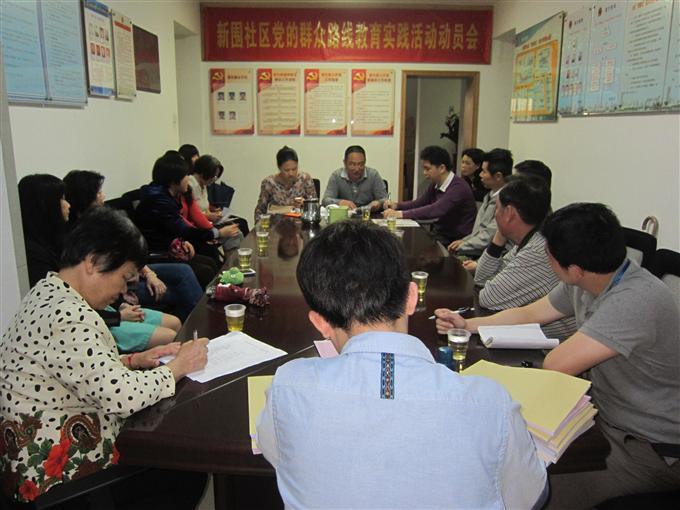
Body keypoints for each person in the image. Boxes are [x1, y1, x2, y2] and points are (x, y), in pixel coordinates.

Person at [257, 221, 547, 509]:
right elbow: (529, 497)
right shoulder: (490, 403)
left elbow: (280, 454)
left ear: (320, 323)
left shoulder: (287, 387)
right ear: (411, 297)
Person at [435, 203, 680, 509]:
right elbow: (530, 313)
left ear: (574, 270)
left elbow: (556, 364)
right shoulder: (591, 277)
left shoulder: (635, 300)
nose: (545, 257)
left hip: (648, 447)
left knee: (528, 490)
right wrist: (468, 324)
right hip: (602, 415)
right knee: (501, 460)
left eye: (548, 254)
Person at [0, 206, 209, 505]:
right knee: (187, 469)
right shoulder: (68, 316)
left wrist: (134, 360)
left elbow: (78, 370)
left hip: (37, 465)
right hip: (63, 481)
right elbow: (121, 397)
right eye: (124, 278)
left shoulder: (47, 292)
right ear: (93, 261)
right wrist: (178, 366)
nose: (123, 291)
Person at [62, 169, 202, 323]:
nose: (103, 197)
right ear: (86, 196)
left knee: (184, 272)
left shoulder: (103, 220)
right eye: (99, 192)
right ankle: (199, 325)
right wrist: (121, 300)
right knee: (180, 292)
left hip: (133, 272)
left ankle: (198, 323)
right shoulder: (78, 233)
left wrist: (149, 275)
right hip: (120, 284)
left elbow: (130, 252)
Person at [467, 175, 576, 339]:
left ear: (509, 213)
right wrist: (500, 234)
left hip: (551, 344)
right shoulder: (528, 240)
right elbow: (481, 278)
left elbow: (489, 298)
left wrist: (502, 228)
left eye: (497, 209)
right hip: (534, 336)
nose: (495, 215)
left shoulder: (540, 249)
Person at [135, 151, 238, 287]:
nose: (188, 179)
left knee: (210, 262)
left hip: (171, 246)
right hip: (159, 253)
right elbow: (183, 229)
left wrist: (182, 242)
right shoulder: (159, 201)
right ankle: (214, 297)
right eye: (185, 176)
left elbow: (175, 228)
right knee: (205, 270)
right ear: (173, 180)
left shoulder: (167, 196)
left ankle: (223, 292)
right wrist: (218, 233)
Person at [383, 145, 476, 246]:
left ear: (442, 168)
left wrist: (400, 214)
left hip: (455, 240)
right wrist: (397, 205)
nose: (424, 173)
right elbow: (419, 203)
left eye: (427, 169)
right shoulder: (436, 183)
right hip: (440, 235)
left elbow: (436, 209)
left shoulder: (458, 187)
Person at [448, 148, 513, 257]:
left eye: (484, 172)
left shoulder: (507, 202)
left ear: (498, 176)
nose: (480, 175)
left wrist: (463, 245)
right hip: (477, 252)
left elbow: (490, 235)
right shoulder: (490, 195)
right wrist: (464, 241)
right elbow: (479, 230)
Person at [17, 174, 70, 288]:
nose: (68, 205)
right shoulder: (33, 255)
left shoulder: (52, 237)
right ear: (46, 205)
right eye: (62, 199)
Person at [254, 146, 316, 222]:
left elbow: (315, 206)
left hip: (301, 223)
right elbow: (260, 210)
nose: (291, 173)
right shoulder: (269, 183)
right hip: (276, 224)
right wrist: (260, 226)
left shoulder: (305, 179)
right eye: (286, 170)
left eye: (294, 169)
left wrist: (305, 203)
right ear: (279, 168)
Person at [321, 145, 387, 211]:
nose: (357, 169)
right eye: (352, 164)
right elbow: (325, 200)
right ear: (345, 163)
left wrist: (379, 203)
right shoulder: (336, 176)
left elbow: (385, 200)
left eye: (361, 164)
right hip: (344, 215)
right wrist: (340, 202)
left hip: (368, 215)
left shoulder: (373, 175)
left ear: (365, 162)